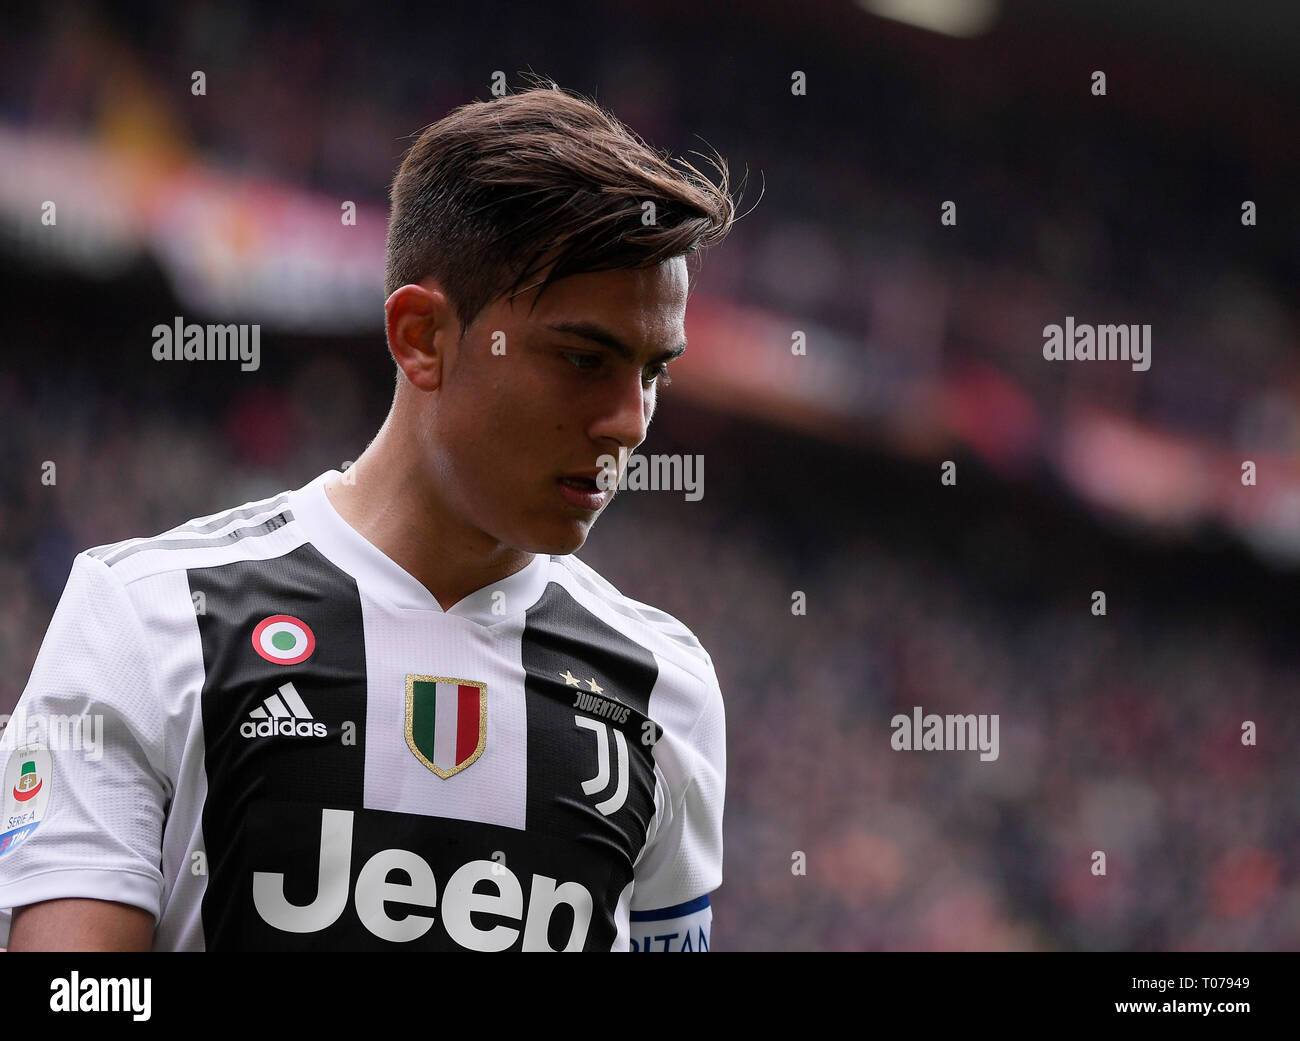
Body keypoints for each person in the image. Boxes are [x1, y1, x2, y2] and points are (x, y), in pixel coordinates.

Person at [0, 81, 735, 951]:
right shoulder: (146, 618)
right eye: (583, 357)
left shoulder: (666, 688)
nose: (630, 421)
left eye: (654, 371)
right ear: (422, 336)